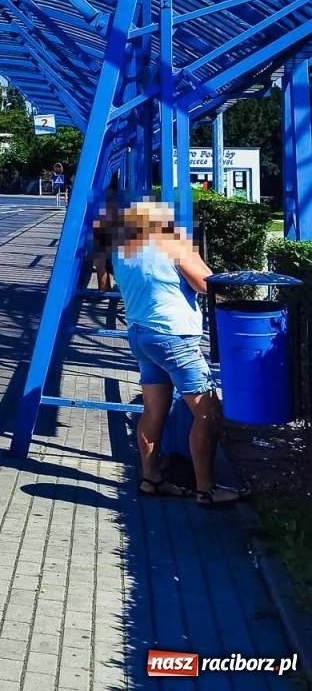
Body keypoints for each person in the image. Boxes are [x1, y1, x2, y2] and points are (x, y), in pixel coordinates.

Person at [110, 199, 245, 506]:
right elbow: (206, 283)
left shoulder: (124, 251)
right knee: (208, 413)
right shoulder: (171, 244)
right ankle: (207, 490)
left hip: (141, 333)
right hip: (175, 337)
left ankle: (151, 478)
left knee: (153, 411)